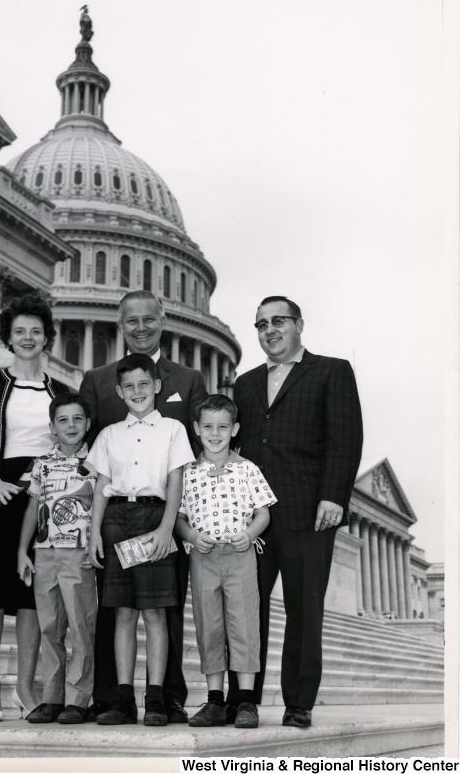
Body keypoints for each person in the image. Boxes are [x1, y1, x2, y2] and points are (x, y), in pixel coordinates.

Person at [231, 296, 363, 728]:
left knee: (304, 610)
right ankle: (244, 698)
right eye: (261, 324)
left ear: (299, 324)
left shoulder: (331, 370)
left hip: (309, 511)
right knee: (247, 609)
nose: (270, 330)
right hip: (255, 517)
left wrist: (334, 495)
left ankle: (299, 702)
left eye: (279, 321)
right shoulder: (246, 382)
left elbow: (344, 439)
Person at [80, 289, 208, 723]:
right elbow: (94, 462)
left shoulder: (187, 380)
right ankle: (115, 697)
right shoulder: (97, 379)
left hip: (162, 514)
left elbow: (191, 458)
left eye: (148, 319)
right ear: (120, 324)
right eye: (131, 320)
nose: (140, 327)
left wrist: (179, 525)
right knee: (117, 609)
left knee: (163, 609)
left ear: (162, 319)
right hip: (117, 514)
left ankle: (164, 696)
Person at [0, 294, 69, 722]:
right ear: (8, 337)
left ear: (47, 339)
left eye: (36, 331)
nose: (28, 338)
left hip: (42, 496)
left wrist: (46, 491)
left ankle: (26, 686)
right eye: (20, 331)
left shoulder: (61, 392)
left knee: (31, 596)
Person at [176, 394, 276, 729]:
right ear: (196, 428)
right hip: (203, 558)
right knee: (209, 627)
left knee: (244, 624)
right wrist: (191, 537)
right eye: (207, 426)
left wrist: (249, 534)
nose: (215, 433)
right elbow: (178, 517)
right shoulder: (187, 472)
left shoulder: (247, 469)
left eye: (222, 426)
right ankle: (215, 700)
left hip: (240, 556)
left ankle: (245, 701)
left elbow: (263, 513)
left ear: (234, 429)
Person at [16, 392, 97, 725]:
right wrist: (23, 550)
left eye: (78, 419)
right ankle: (51, 698)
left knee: (80, 626)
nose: (71, 425)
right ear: (52, 427)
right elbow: (33, 506)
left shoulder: (98, 461)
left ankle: (78, 699)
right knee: (49, 627)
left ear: (88, 423)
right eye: (63, 420)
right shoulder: (42, 463)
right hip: (45, 552)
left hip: (80, 552)